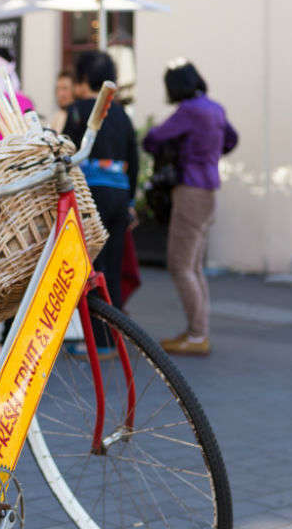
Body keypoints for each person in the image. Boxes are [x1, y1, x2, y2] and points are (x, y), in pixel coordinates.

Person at [143, 59, 238, 357]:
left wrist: (186, 154)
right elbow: (231, 139)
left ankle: (197, 335)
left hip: (190, 191)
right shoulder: (215, 108)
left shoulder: (189, 111)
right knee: (194, 266)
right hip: (210, 189)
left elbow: (152, 138)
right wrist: (209, 152)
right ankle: (197, 330)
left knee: (180, 265)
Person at [62, 51, 139, 358]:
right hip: (120, 195)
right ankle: (114, 337)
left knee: (89, 266)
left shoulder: (80, 110)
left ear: (81, 79)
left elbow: (66, 149)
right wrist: (131, 200)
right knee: (113, 266)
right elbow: (133, 158)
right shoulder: (120, 113)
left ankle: (96, 340)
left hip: (90, 195)